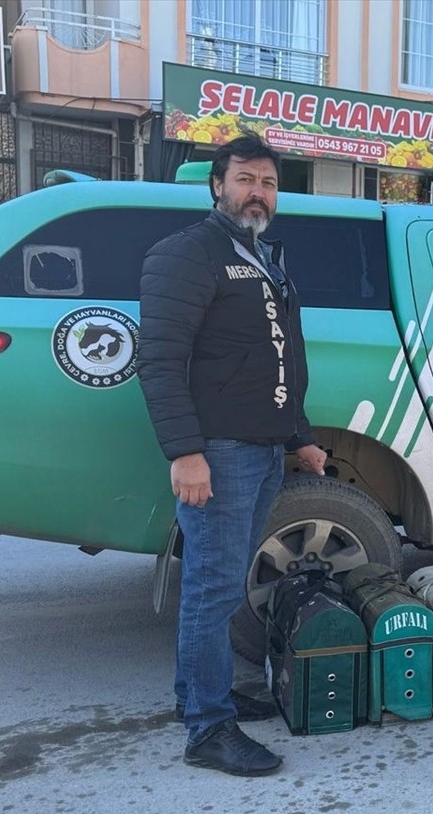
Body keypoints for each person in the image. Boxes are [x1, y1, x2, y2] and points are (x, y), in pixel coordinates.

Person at [137, 134, 326, 775]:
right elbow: (158, 360)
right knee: (213, 589)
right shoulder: (189, 253)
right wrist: (186, 453)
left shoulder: (264, 256)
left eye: (268, 182)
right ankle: (208, 730)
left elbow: (283, 357)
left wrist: (298, 434)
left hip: (264, 448)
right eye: (246, 179)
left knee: (222, 584)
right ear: (218, 185)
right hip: (218, 451)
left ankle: (199, 694)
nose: (258, 192)